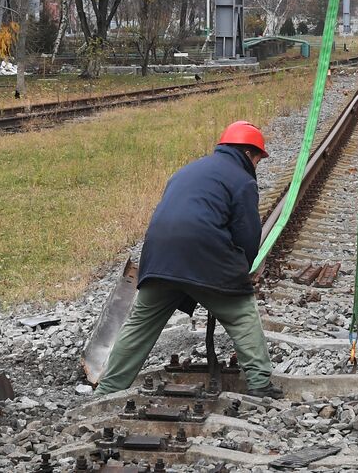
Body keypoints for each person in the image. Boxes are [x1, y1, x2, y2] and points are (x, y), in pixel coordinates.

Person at [93, 121, 282, 399]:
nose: (257, 164)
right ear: (248, 154)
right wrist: (243, 271)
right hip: (203, 256)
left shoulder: (186, 171)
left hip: (158, 258)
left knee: (139, 327)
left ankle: (108, 390)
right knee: (242, 312)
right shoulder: (243, 180)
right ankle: (260, 383)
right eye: (257, 158)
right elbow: (248, 234)